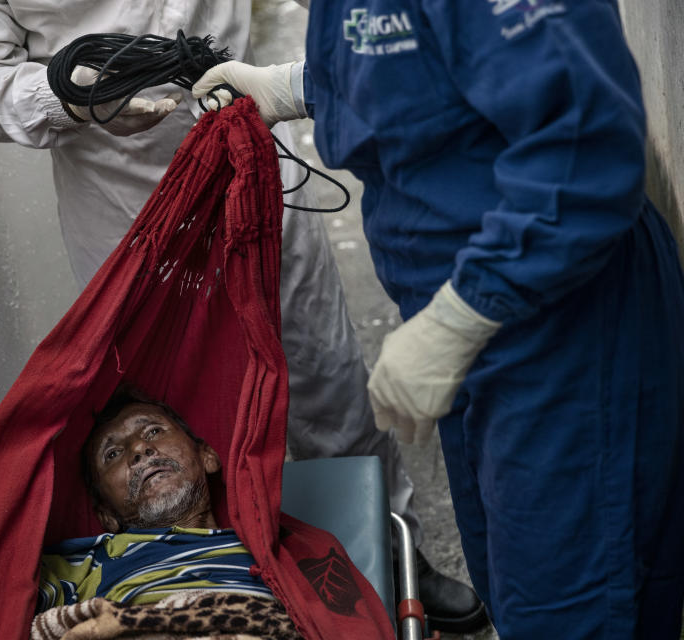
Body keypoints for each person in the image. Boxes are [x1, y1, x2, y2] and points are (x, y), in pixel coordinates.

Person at [0, 1, 486, 632]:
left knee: (325, 378)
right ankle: (205, 571)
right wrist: (70, 98)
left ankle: (387, 544)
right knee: (173, 408)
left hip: (251, 146)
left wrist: (298, 83)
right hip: (125, 211)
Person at [192, 1, 684, 638]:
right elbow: (414, 61)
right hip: (473, 324)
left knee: (573, 605)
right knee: (511, 583)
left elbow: (584, 143)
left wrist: (461, 316)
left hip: (560, 327)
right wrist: (298, 86)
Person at [33, 390, 302, 639]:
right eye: (113, 453)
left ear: (207, 456)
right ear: (107, 516)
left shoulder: (272, 550)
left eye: (153, 431)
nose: (139, 449)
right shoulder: (91, 562)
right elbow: (6, 595)